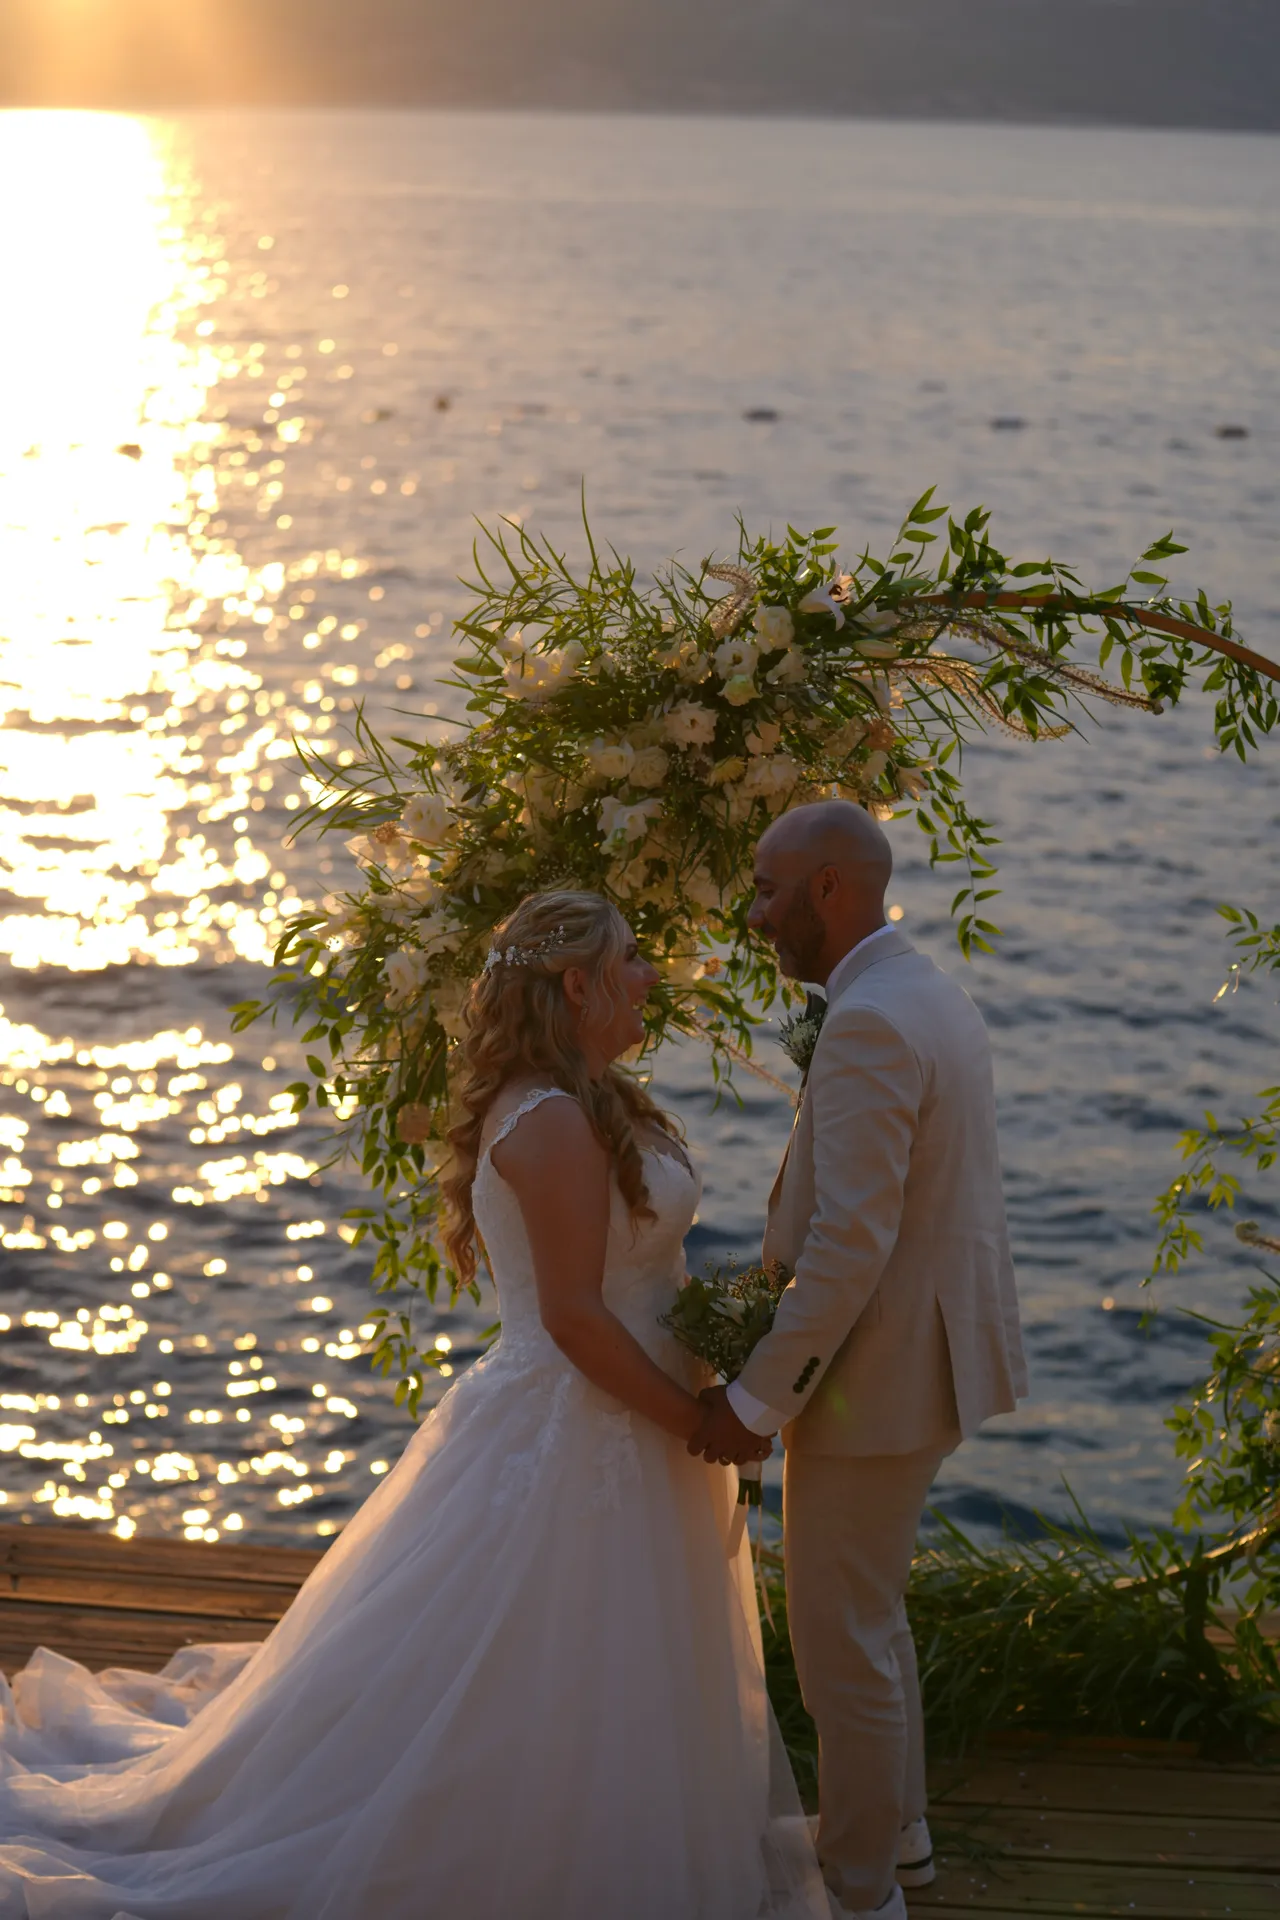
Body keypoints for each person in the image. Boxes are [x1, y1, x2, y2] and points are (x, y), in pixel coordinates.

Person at [0, 889, 825, 1920]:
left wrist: (719, 1351)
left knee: (595, 1672)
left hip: (622, 1421)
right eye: (627, 958)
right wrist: (693, 1419)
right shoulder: (555, 1121)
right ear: (574, 985)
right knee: (545, 1654)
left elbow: (637, 1280)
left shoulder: (591, 1097)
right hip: (585, 1432)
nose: (648, 975)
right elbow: (573, 1316)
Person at [693, 800, 1028, 1920]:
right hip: (919, 1359)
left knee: (840, 1644)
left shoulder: (874, 1021)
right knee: (870, 1618)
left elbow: (849, 1244)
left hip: (874, 1377)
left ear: (831, 888)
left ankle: (858, 1891)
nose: (755, 915)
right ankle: (905, 1845)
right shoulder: (915, 987)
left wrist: (751, 1396)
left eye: (767, 891)